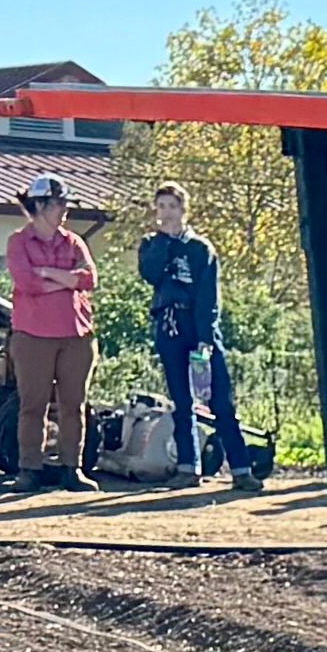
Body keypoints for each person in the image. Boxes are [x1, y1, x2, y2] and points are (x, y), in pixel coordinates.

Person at [139, 182, 258, 491]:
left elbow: (208, 295)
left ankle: (242, 469)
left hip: (199, 324)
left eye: (172, 206)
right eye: (161, 206)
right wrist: (164, 241)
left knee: (220, 399)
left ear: (183, 209)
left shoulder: (200, 248)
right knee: (182, 400)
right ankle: (187, 467)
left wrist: (205, 335)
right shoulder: (151, 243)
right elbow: (150, 275)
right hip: (170, 325)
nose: (167, 212)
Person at [6, 171, 100, 489]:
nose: (65, 210)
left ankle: (71, 468)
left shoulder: (74, 241)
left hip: (77, 334)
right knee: (33, 405)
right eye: (60, 203)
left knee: (74, 405)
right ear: (41, 205)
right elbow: (26, 283)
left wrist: (48, 272)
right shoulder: (18, 242)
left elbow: (89, 279)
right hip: (32, 335)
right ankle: (29, 469)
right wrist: (66, 279)